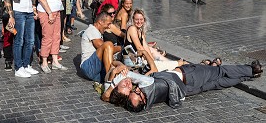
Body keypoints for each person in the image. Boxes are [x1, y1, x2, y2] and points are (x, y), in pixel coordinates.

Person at [108, 60, 263, 112]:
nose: (130, 85)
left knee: (218, 83)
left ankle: (245, 76)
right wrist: (119, 70)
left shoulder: (145, 102)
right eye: (128, 88)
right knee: (219, 71)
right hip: (189, 76)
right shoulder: (145, 85)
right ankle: (251, 69)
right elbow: (130, 75)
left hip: (189, 90)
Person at [2, 0, 39, 78]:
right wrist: (11, 15)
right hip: (18, 11)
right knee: (19, 40)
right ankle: (18, 67)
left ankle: (26, 64)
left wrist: (34, 8)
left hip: (29, 11)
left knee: (30, 40)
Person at [36, 0, 68, 73]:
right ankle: (44, 61)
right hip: (46, 11)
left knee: (56, 36)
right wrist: (49, 12)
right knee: (47, 37)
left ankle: (55, 60)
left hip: (56, 9)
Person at [80, 11, 114, 83]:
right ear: (100, 22)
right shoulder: (92, 30)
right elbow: (104, 47)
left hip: (94, 68)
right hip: (88, 66)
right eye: (108, 24)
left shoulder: (97, 32)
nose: (109, 27)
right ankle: (109, 82)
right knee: (108, 44)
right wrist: (120, 48)